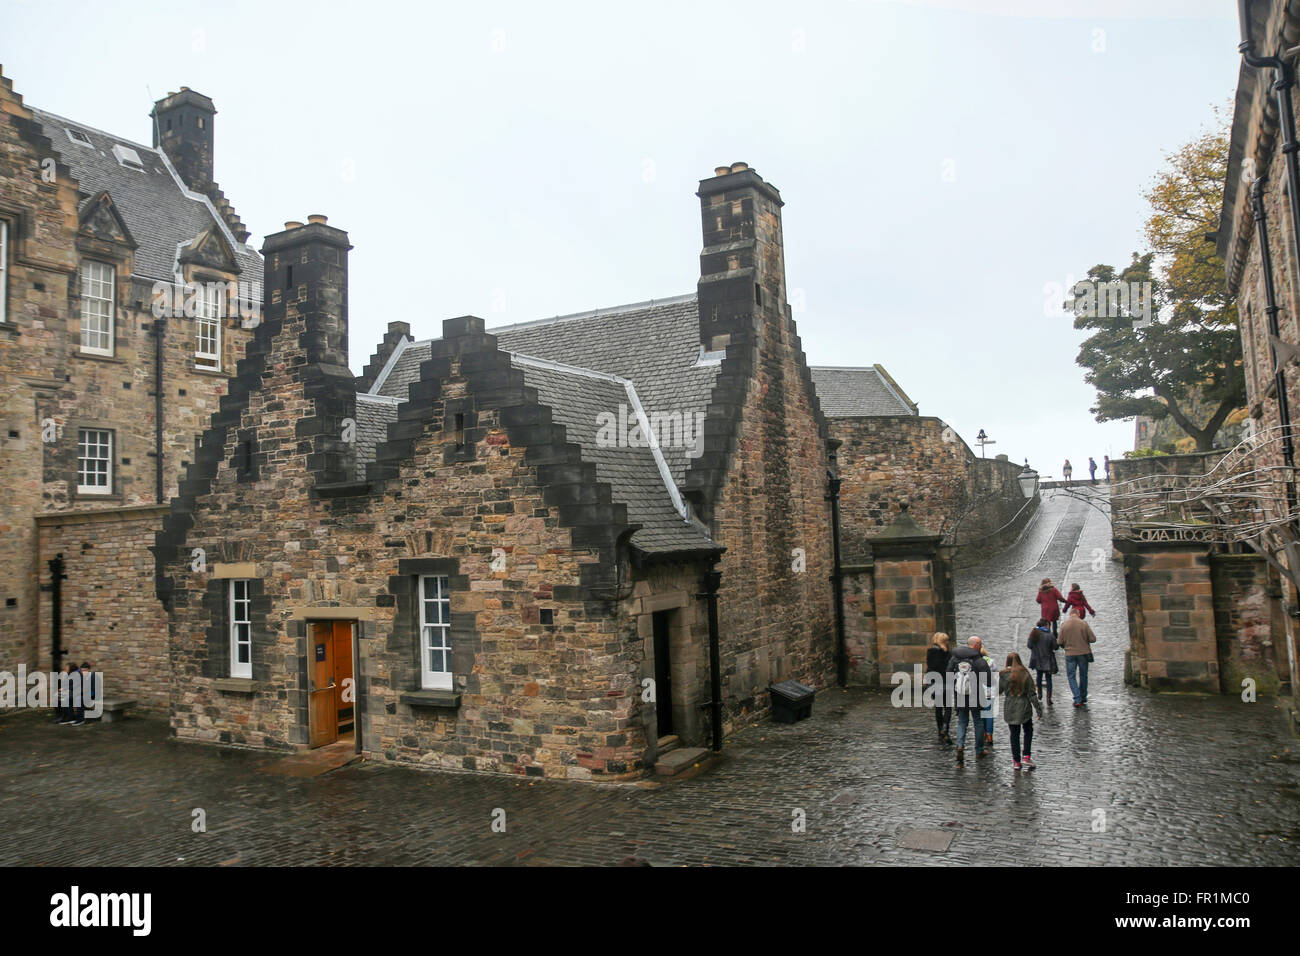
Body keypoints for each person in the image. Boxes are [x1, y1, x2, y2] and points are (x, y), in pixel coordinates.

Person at [948, 636, 992, 764]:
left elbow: (948, 674)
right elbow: (988, 680)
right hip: (976, 695)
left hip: (961, 694)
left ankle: (960, 746)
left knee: (962, 722)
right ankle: (979, 750)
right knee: (978, 722)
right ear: (977, 645)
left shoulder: (955, 658)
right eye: (980, 644)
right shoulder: (978, 660)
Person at [999, 652, 1043, 770]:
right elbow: (1032, 694)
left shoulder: (1003, 675)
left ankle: (1016, 761)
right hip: (1024, 707)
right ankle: (1026, 755)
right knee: (1028, 730)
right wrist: (1039, 710)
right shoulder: (1024, 673)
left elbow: (998, 691)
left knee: (1014, 734)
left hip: (1010, 707)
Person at [1059, 606, 1098, 707]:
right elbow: (1093, 639)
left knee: (1071, 676)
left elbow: (1059, 641)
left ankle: (1077, 698)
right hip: (1083, 653)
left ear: (1070, 614)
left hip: (1070, 654)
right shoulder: (1083, 624)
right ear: (1078, 614)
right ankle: (1083, 696)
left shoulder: (1064, 625)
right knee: (1083, 675)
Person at [925, 632, 953, 742]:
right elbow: (945, 667)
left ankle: (940, 730)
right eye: (947, 640)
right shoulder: (947, 653)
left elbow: (931, 667)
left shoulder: (930, 652)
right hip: (944, 682)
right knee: (948, 707)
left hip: (934, 682)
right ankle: (945, 728)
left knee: (938, 707)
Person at [974, 636, 998, 750]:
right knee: (989, 714)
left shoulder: (976, 662)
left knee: (981, 714)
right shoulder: (991, 662)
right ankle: (989, 735)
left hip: (980, 692)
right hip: (990, 692)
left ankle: (982, 733)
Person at [1027, 618, 1058, 706]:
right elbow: (1055, 647)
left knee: (1038, 677)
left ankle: (1039, 694)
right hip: (1048, 659)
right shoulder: (1050, 635)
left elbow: (1029, 645)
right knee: (1049, 679)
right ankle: (1049, 698)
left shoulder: (1033, 633)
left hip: (1037, 659)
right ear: (1046, 625)